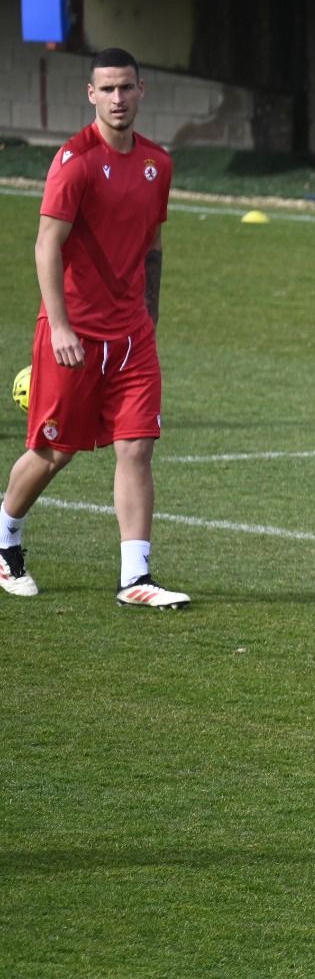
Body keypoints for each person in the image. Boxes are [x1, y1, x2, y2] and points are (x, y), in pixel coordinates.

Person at [0, 48, 187, 607]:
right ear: (91, 95)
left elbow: (153, 247)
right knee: (55, 451)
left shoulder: (158, 164)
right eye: (106, 90)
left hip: (132, 336)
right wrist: (59, 327)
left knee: (136, 449)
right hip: (74, 335)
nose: (118, 99)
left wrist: (149, 314)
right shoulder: (74, 161)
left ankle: (136, 577)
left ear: (141, 90)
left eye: (126, 88)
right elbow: (46, 246)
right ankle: (5, 539)